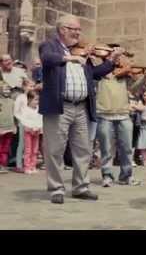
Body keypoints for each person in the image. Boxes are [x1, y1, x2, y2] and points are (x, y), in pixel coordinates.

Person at [39, 14, 123, 205]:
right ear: (62, 30)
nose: (78, 33)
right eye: (74, 29)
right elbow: (47, 59)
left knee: (83, 149)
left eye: (79, 30)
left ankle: (81, 187)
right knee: (55, 150)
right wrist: (71, 58)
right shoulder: (50, 46)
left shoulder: (81, 54)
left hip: (81, 108)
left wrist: (111, 60)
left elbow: (95, 74)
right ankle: (56, 189)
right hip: (59, 106)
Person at [95, 50, 142, 187]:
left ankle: (126, 176)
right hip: (104, 114)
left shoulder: (124, 75)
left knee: (127, 147)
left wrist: (143, 78)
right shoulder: (100, 73)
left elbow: (133, 89)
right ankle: (107, 175)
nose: (119, 59)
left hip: (123, 114)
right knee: (106, 148)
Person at [13, 78, 35, 172]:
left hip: (32, 124)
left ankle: (30, 164)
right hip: (23, 123)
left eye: (33, 86)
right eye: (30, 86)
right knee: (22, 144)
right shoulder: (20, 97)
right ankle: (18, 164)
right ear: (24, 87)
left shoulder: (33, 97)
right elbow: (16, 111)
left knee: (32, 145)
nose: (32, 88)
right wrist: (21, 120)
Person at [18, 91, 42, 175]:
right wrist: (29, 127)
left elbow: (40, 119)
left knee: (35, 150)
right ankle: (27, 167)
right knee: (28, 150)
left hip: (36, 131)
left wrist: (39, 127)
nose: (37, 102)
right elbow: (24, 120)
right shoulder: (25, 109)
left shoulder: (38, 109)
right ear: (29, 100)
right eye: (35, 100)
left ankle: (33, 166)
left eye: (38, 100)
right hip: (28, 132)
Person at [0, 82, 15, 174]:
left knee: (6, 148)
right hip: (1, 127)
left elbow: (13, 115)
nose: (7, 91)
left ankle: (3, 165)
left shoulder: (12, 101)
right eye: (4, 89)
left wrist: (14, 126)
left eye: (8, 89)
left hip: (9, 128)